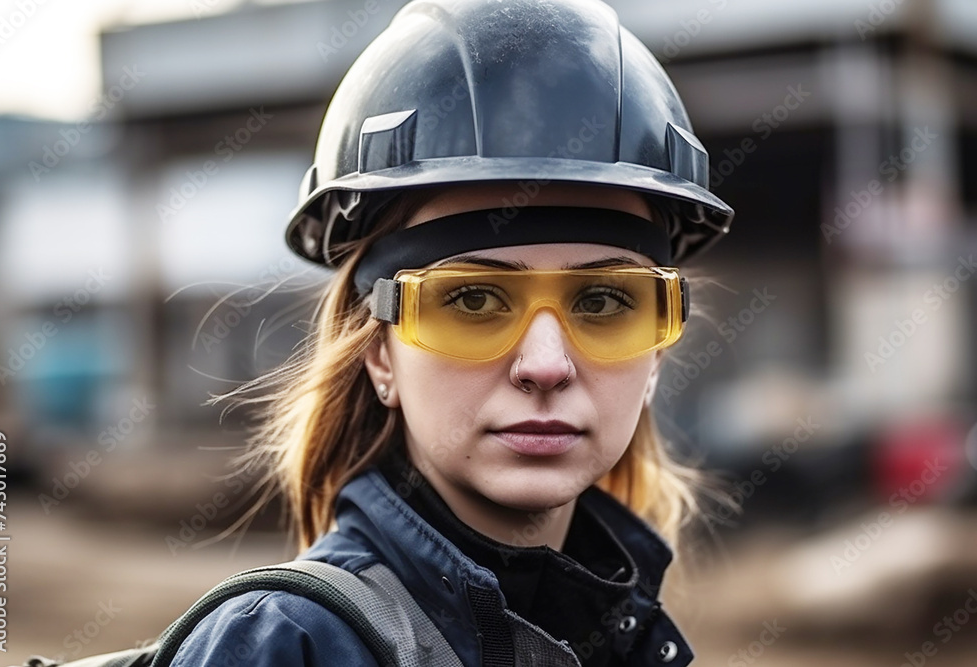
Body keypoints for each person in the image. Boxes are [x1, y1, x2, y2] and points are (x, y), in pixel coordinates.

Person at [170, 0, 734, 665]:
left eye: (605, 299)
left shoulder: (631, 640)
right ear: (380, 352)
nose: (546, 364)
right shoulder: (286, 646)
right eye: (472, 298)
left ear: (658, 352)